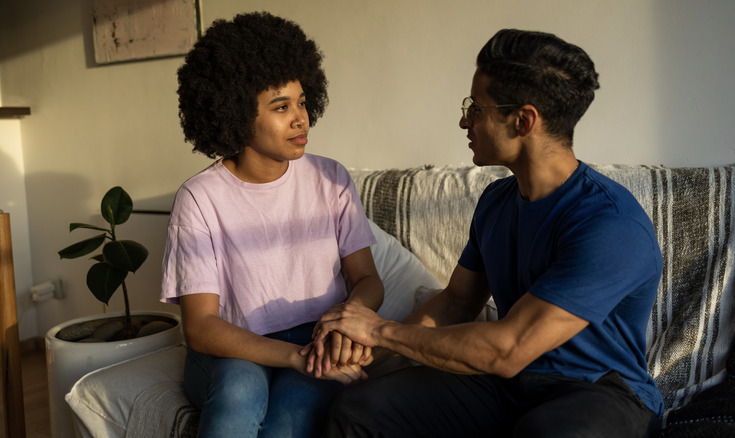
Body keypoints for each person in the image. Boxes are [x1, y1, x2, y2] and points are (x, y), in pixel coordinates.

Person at [314, 29, 663, 437]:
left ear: (523, 120)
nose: (464, 120)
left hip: (598, 391)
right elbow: (457, 303)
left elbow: (508, 349)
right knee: (359, 409)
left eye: (476, 108)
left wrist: (376, 328)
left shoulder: (610, 224)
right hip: (507, 384)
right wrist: (364, 348)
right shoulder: (497, 201)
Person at [160, 12, 383, 438]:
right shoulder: (199, 199)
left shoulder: (331, 179)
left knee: (295, 411)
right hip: (231, 346)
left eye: (302, 102)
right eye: (281, 107)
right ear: (235, 114)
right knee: (239, 389)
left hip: (317, 335)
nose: (301, 118)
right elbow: (201, 327)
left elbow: (367, 279)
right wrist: (294, 355)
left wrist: (343, 324)